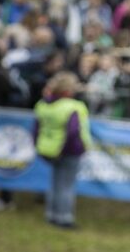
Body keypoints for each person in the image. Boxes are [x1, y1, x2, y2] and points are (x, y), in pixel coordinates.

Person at [32, 71, 91, 229]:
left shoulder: (43, 104)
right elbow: (73, 132)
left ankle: (51, 214)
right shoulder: (73, 107)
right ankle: (64, 218)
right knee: (66, 186)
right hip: (68, 151)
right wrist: (66, 149)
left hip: (49, 150)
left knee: (55, 183)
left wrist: (38, 146)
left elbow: (36, 129)